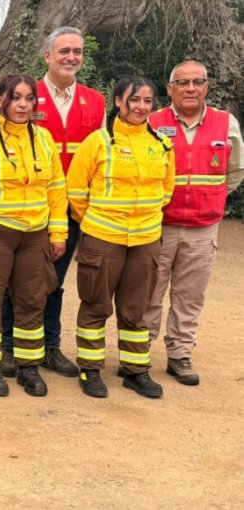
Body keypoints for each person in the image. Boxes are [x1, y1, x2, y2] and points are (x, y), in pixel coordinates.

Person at [1, 26, 105, 379]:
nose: (71, 57)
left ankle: (49, 346)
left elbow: (102, 159)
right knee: (15, 281)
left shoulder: (96, 101)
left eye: (77, 51)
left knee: (53, 280)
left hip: (71, 210)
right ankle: (9, 348)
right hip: (26, 207)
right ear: (47, 56)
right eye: (64, 51)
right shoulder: (28, 94)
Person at [67, 76, 175, 398]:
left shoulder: (161, 145)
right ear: (118, 101)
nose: (141, 107)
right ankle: (90, 370)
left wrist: (146, 220)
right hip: (103, 237)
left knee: (136, 309)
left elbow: (165, 190)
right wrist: (96, 221)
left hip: (144, 241)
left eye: (147, 100)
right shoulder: (98, 142)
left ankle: (135, 372)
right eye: (134, 99)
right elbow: (76, 189)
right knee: (95, 304)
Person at [0, 74, 67, 398]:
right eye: (15, 97)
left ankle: (28, 366)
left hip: (34, 233)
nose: (23, 105)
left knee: (33, 299)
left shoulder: (44, 138)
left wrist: (58, 231)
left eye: (29, 98)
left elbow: (56, 188)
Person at [144, 60, 244, 385]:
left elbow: (236, 172)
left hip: (202, 228)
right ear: (169, 89)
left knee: (189, 296)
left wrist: (210, 199)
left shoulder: (225, 123)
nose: (190, 88)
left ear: (207, 87)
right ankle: (138, 354)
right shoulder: (152, 121)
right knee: (148, 292)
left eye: (197, 82)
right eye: (182, 83)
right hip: (156, 225)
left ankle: (180, 355)